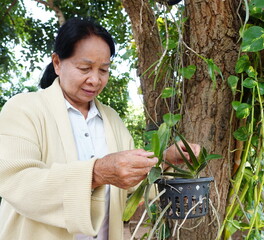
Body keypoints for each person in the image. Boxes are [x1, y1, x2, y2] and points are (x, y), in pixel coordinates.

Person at [0, 17, 199, 240]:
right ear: (57, 63)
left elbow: (131, 185)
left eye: (103, 70)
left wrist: (166, 160)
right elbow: (17, 183)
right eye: (84, 68)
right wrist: (97, 173)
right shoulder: (24, 109)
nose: (95, 80)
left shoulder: (111, 119)